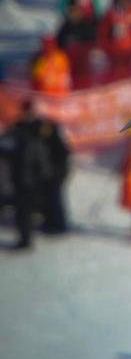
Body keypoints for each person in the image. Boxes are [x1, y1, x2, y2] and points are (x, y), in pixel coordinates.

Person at [8, 100, 70, 249]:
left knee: (54, 199)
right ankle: (47, 224)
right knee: (41, 201)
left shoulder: (46, 127)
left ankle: (58, 225)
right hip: (35, 173)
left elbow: (60, 151)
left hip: (52, 170)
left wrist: (56, 170)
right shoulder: (20, 128)